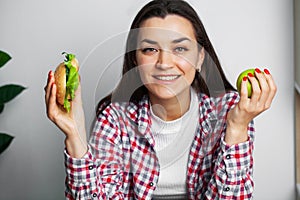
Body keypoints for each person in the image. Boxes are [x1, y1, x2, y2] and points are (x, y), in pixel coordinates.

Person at [44, 0, 277, 199]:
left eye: (180, 49)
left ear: (200, 58)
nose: (164, 63)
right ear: (135, 60)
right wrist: (75, 136)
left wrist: (237, 128)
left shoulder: (230, 112)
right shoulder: (115, 120)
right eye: (150, 50)